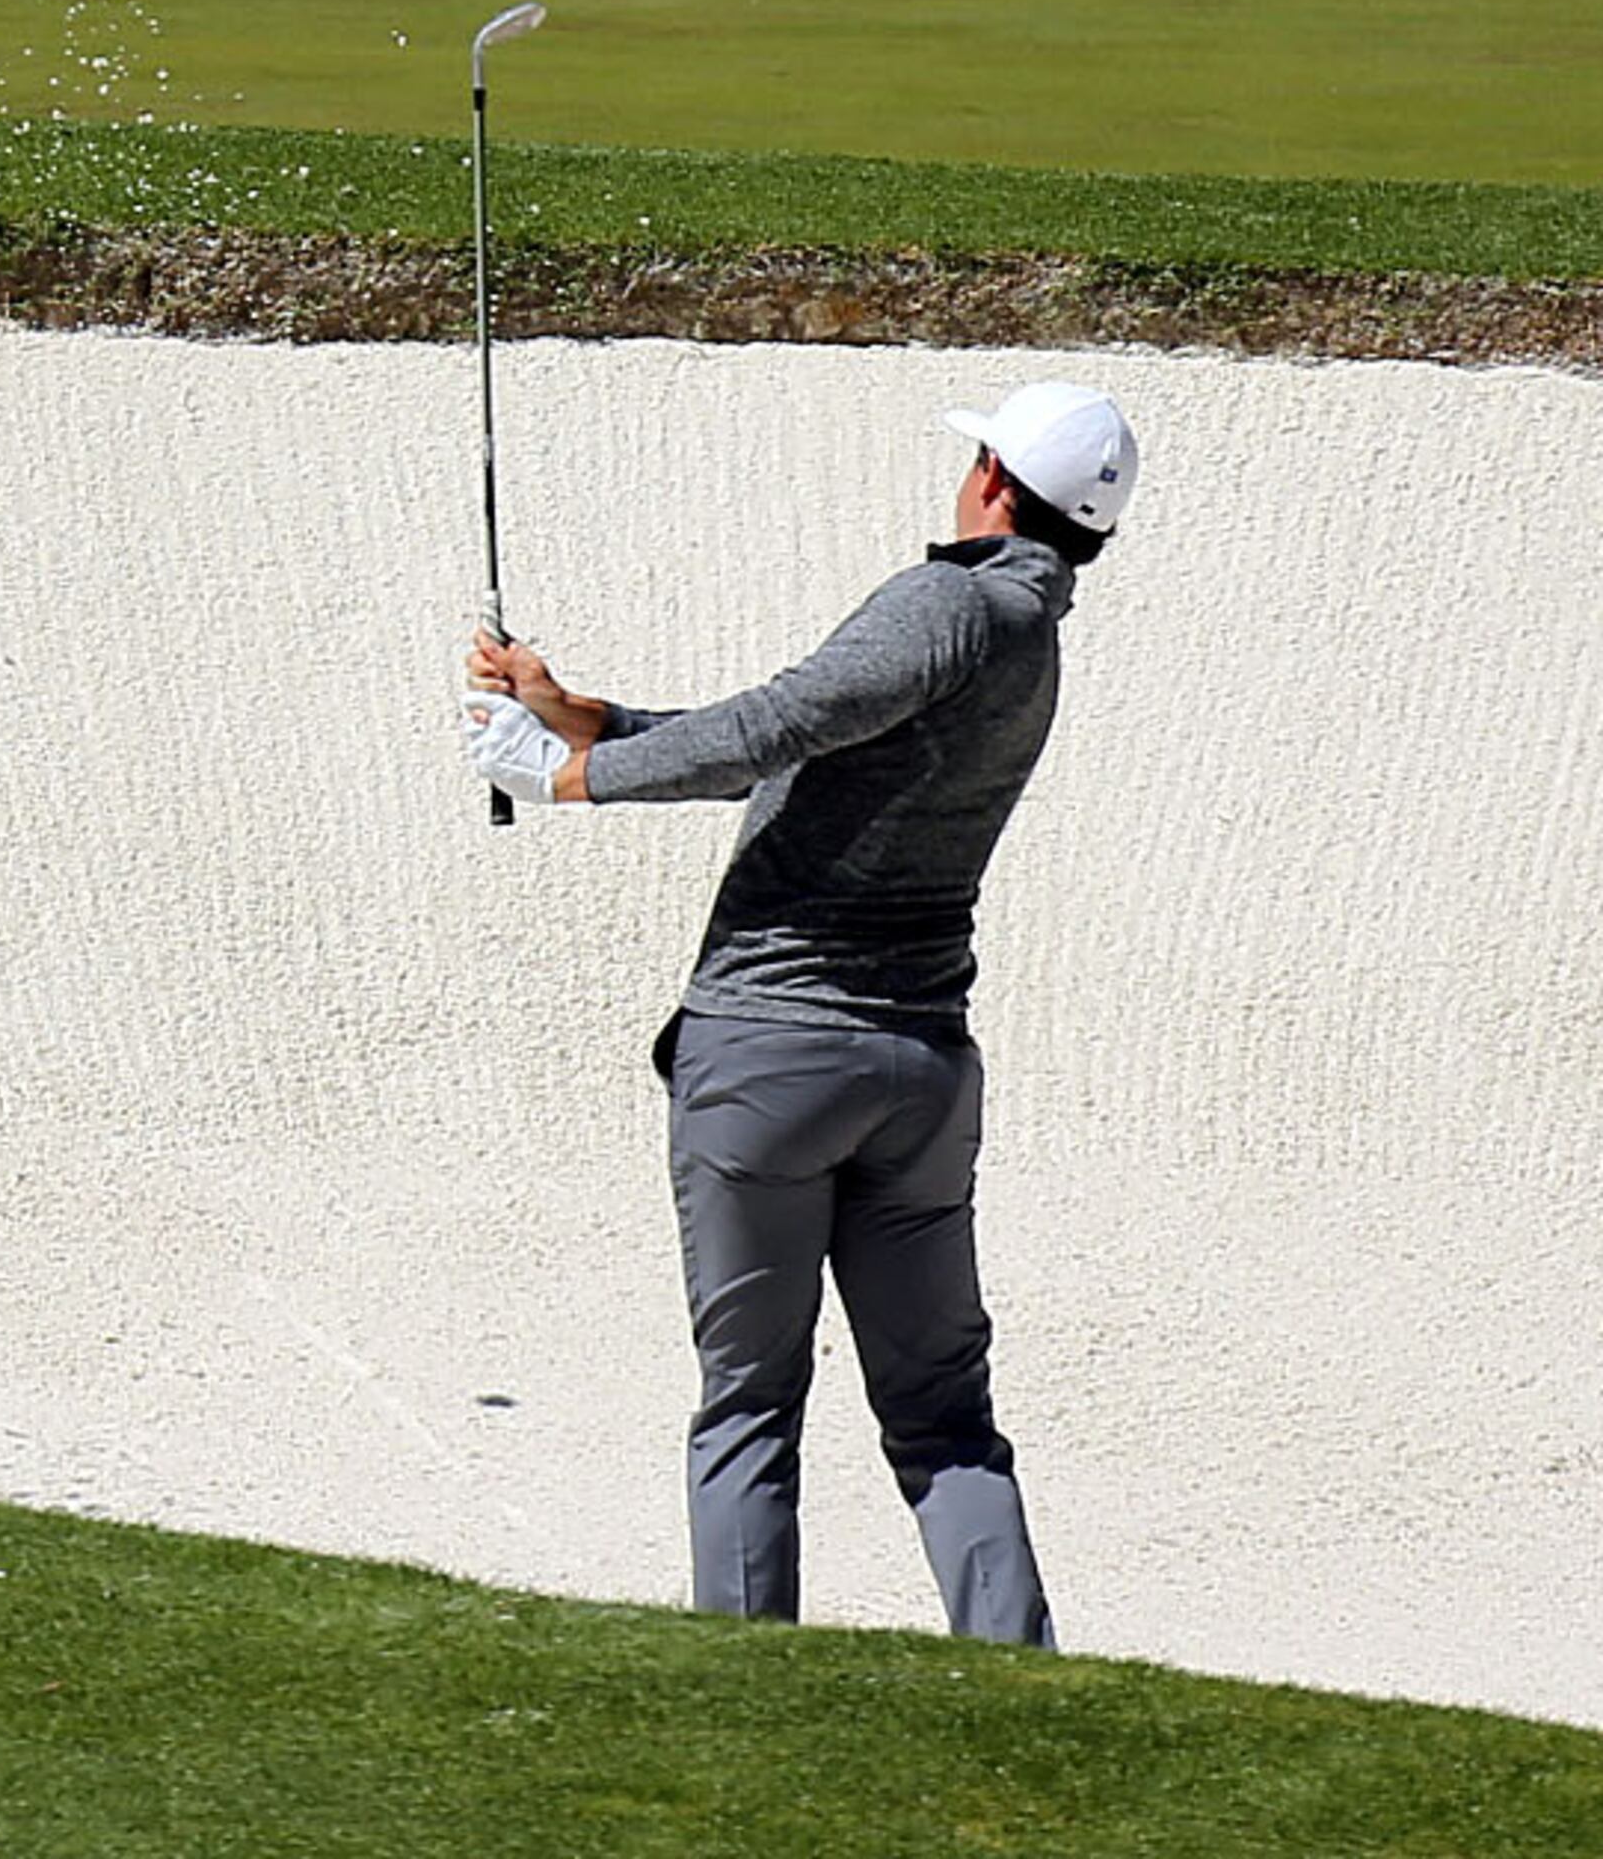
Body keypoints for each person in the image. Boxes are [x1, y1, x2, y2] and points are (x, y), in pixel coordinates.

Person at [455, 379, 1140, 1649]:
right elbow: (804, 759)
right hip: (920, 1074)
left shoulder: (943, 600)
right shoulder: (1028, 640)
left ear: (993, 479)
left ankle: (749, 1694)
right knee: (944, 1418)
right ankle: (1022, 1684)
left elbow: (777, 722)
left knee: (750, 1403)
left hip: (773, 1052)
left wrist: (569, 781)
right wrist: (583, 718)